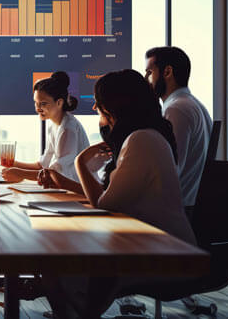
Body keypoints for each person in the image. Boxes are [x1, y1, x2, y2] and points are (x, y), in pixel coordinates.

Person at [43, 69, 196, 318]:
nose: (94, 107)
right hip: (150, 244)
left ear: (115, 105)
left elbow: (104, 203)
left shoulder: (141, 141)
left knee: (57, 265)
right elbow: (112, 196)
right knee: (61, 263)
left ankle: (76, 311)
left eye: (99, 102)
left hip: (165, 253)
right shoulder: (144, 137)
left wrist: (82, 162)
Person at [0, 71, 102, 193]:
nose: (38, 109)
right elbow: (43, 165)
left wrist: (20, 173)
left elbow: (56, 172)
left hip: (80, 192)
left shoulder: (67, 128)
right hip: (66, 189)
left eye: (43, 104)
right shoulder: (54, 126)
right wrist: (13, 164)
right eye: (36, 103)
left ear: (59, 102)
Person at [145, 46, 213, 212]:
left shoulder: (176, 110)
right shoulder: (196, 106)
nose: (146, 79)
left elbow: (171, 171)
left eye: (149, 73)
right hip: (189, 207)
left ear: (167, 72)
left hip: (174, 212)